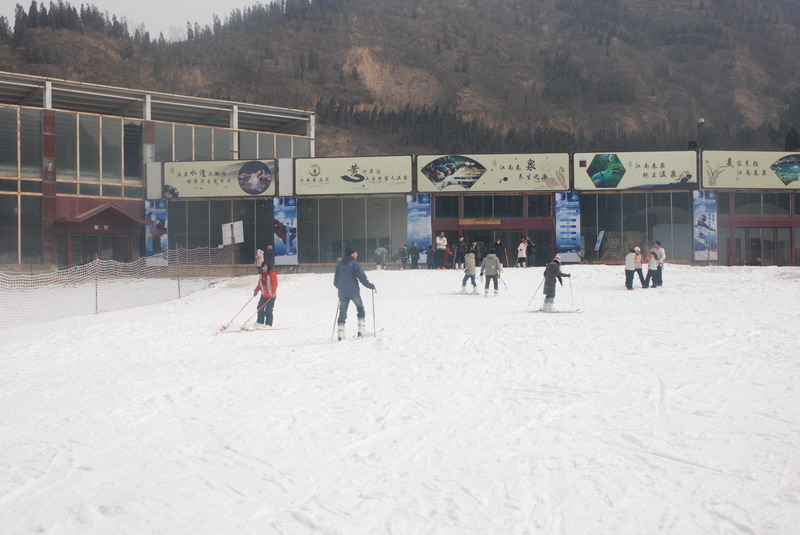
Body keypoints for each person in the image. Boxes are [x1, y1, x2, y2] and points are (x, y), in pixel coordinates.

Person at [333, 247, 376, 340]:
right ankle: (361, 330)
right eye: (355, 252)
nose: (357, 254)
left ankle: (340, 334)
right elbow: (362, 278)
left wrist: (341, 288)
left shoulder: (339, 265)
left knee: (342, 313)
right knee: (360, 308)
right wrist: (370, 286)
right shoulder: (355, 264)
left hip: (342, 293)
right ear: (352, 254)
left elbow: (335, 282)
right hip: (354, 292)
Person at [252, 261, 278, 327]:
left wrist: (274, 292)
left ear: (268, 267)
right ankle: (260, 322)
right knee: (259, 307)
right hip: (263, 295)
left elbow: (275, 283)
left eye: (265, 266)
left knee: (268, 310)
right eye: (263, 266)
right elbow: (259, 284)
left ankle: (268, 324)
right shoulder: (262, 275)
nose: (264, 268)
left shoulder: (272, 274)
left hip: (271, 296)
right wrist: (256, 290)